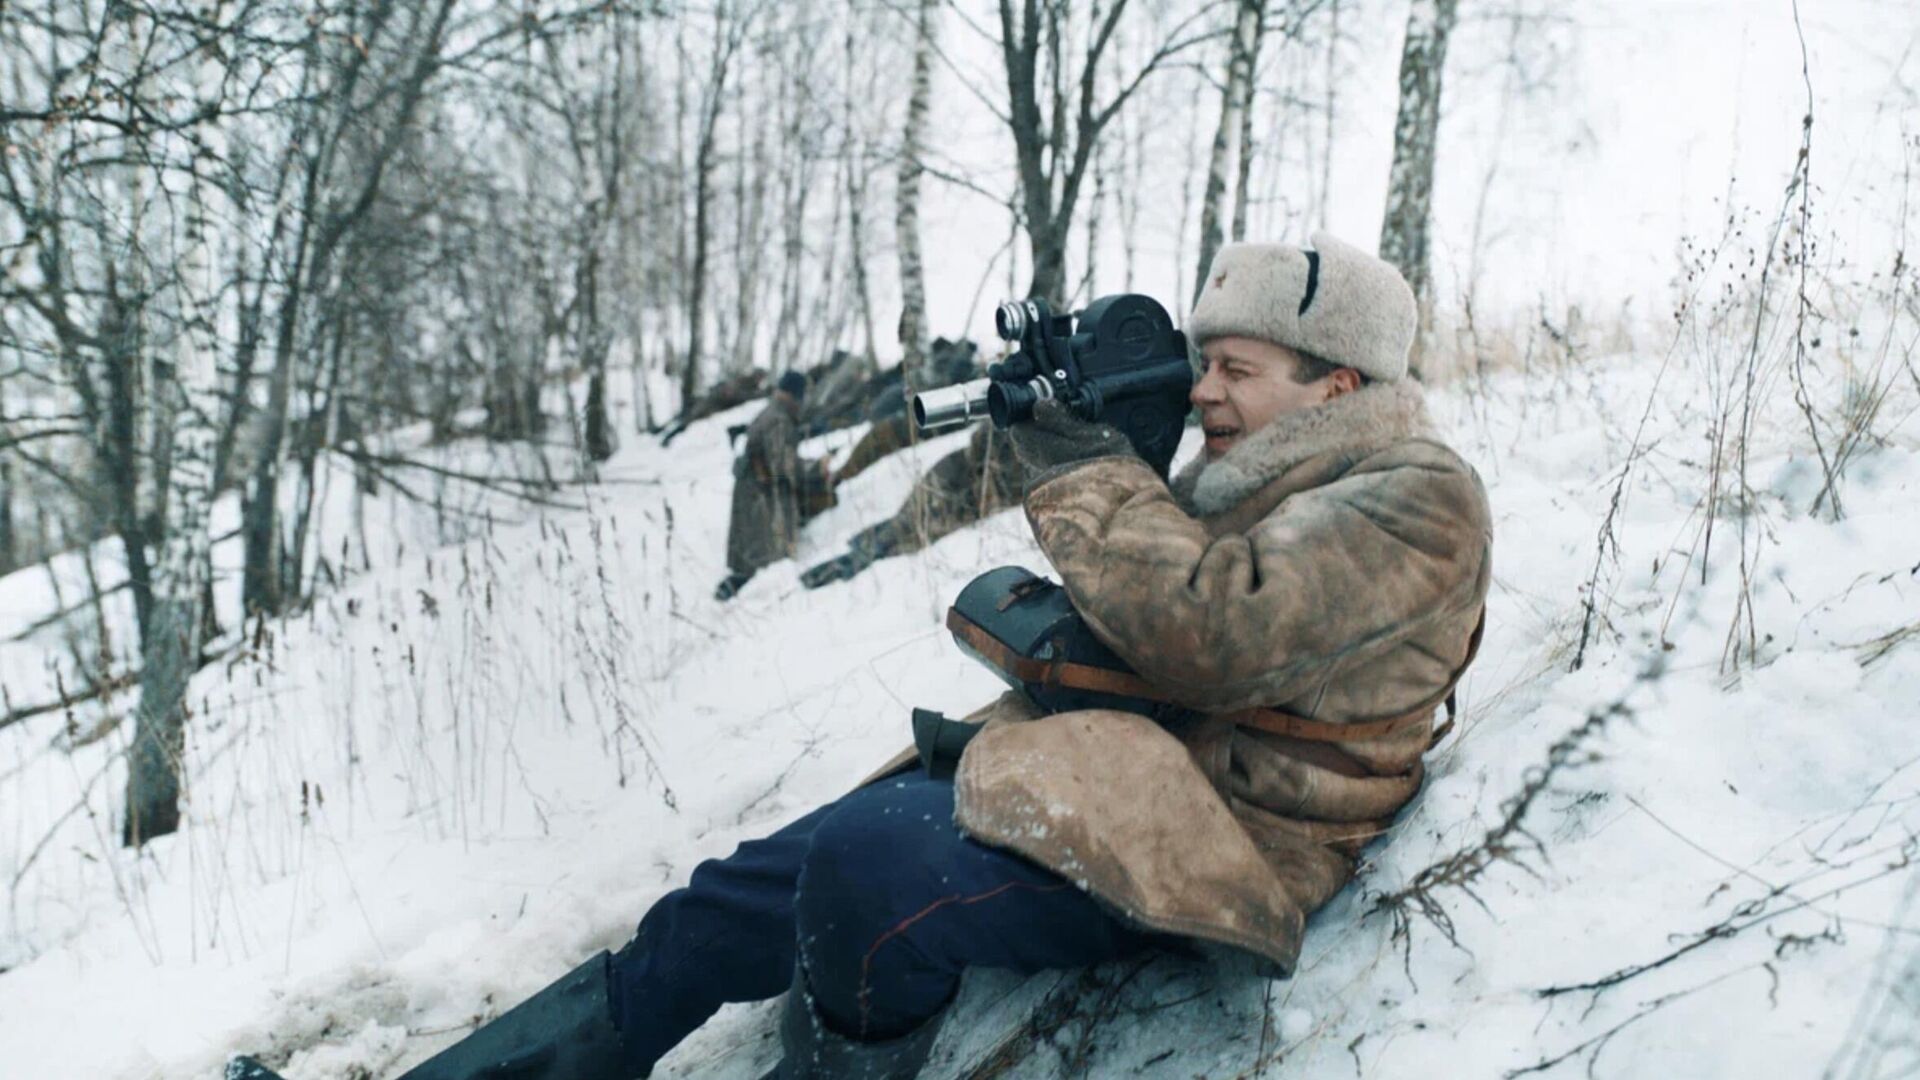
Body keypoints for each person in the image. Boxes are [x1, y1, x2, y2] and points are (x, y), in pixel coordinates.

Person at [377, 233, 1493, 1080]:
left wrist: (1092, 472)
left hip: (1228, 837)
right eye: (1201, 363)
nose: (1202, 391)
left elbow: (1211, 637)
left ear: (1336, 386)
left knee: (868, 872)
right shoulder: (1253, 476)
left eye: (1235, 369)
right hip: (1119, 768)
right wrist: (1106, 449)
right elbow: (1155, 619)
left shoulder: (1419, 501)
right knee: (733, 899)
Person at [714, 370, 835, 601]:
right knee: (761, 565)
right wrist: (816, 468)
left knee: (751, 563)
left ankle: (730, 598)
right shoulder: (779, 420)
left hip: (754, 497)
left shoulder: (771, 414)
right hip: (763, 501)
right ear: (795, 396)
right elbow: (785, 468)